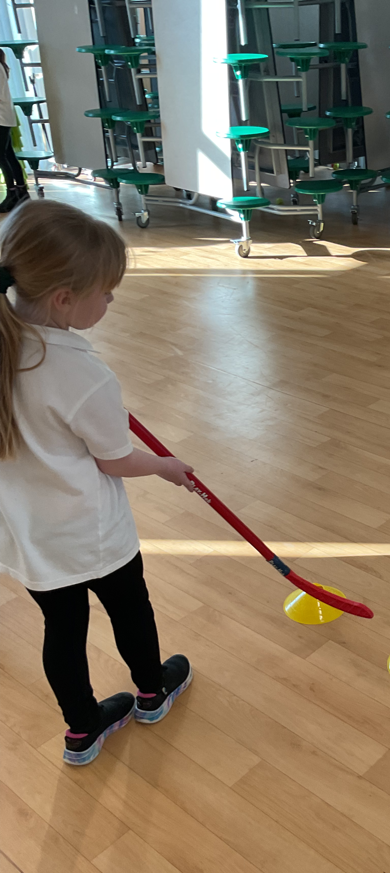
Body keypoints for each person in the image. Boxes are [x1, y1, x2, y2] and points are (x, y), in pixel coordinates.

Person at [0, 200, 194, 765]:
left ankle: (82, 730)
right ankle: (153, 692)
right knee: (131, 609)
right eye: (105, 293)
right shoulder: (81, 373)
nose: (109, 301)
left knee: (62, 629)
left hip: (30, 535)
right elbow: (115, 461)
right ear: (64, 298)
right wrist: (165, 466)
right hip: (93, 533)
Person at [0, 50, 29, 213]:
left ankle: (12, 194)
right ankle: (21, 191)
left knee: (2, 156)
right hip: (4, 117)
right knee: (8, 155)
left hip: (1, 118)